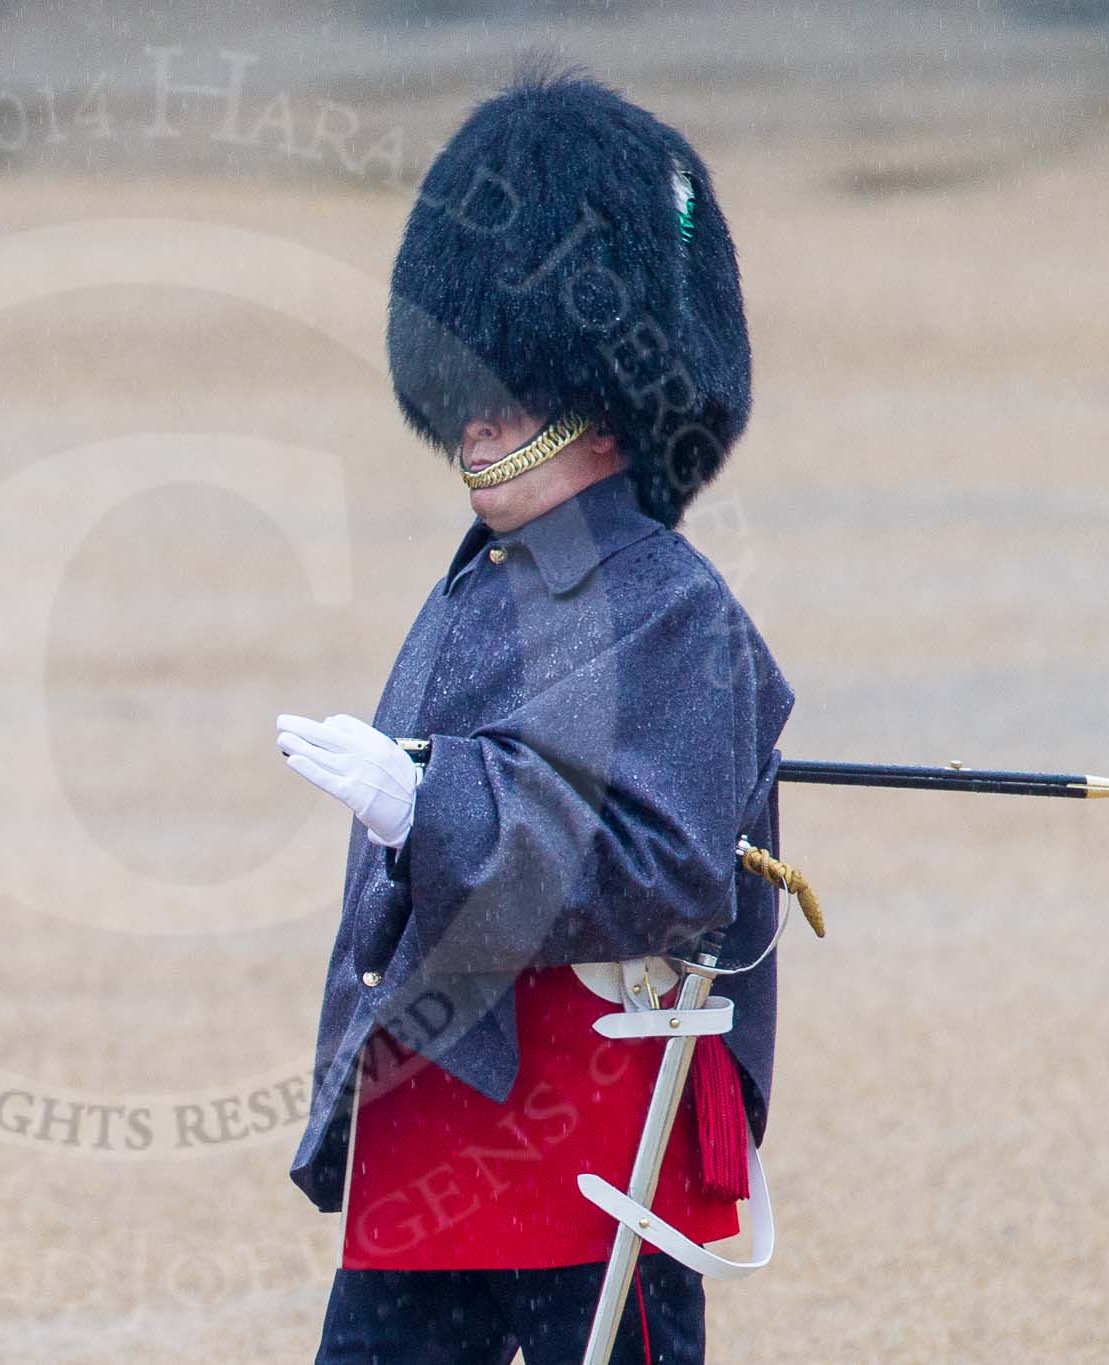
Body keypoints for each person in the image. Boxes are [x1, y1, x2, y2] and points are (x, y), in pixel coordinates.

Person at [276, 65, 793, 1364]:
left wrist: (425, 802)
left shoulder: (673, 607)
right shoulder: (476, 585)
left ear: (611, 418)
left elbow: (665, 869)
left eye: (517, 394)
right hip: (436, 1107)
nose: (481, 420)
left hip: (585, 1118)